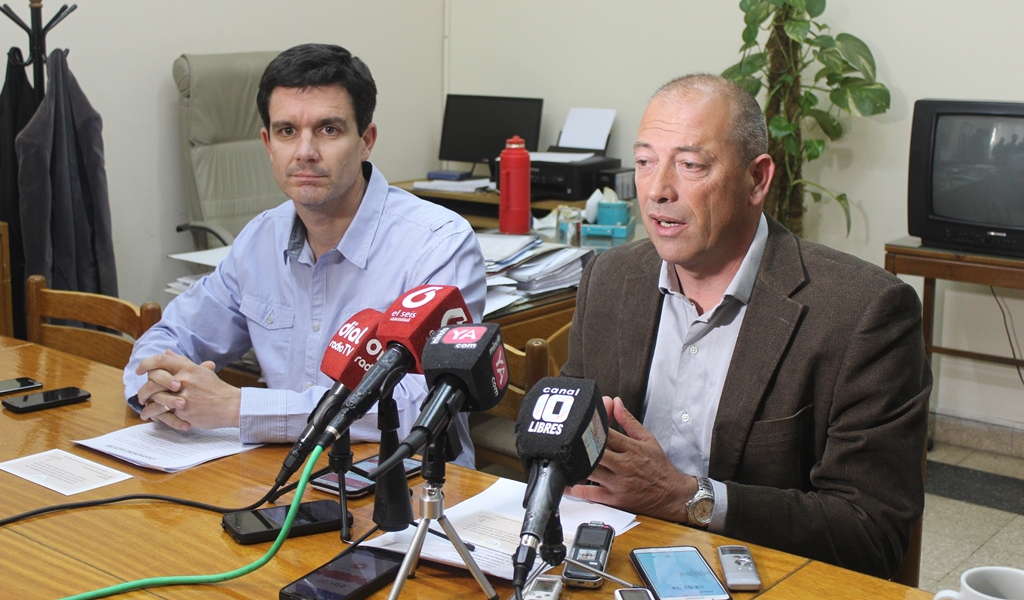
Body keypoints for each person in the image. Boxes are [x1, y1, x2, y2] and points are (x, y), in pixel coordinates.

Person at [563, 73, 931, 578]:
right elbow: (561, 427)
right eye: (645, 162)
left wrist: (687, 498)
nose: (658, 191)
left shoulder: (866, 312)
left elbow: (871, 532)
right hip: (615, 561)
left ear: (757, 179)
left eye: (690, 165)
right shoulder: (610, 278)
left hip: (767, 576)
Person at [123, 43, 486, 464]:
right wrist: (163, 389)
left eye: (328, 130)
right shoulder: (260, 239)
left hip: (407, 482)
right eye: (287, 131)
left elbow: (418, 406)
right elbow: (169, 339)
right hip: (280, 471)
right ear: (267, 143)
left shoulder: (437, 244)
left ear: (366, 141)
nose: (305, 152)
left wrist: (237, 408)